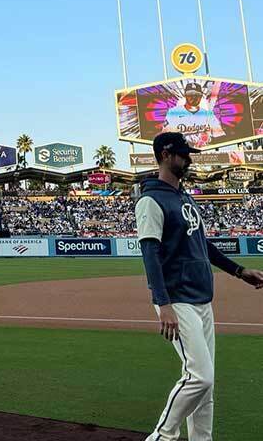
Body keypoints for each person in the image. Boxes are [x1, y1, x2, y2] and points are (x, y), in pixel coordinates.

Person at [135, 132, 263, 441]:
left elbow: (202, 244)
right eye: (183, 154)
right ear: (166, 154)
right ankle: (162, 437)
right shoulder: (150, 200)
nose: (189, 158)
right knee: (200, 377)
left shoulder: (185, 197)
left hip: (202, 298)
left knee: (206, 385)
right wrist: (162, 303)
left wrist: (238, 270)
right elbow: (150, 253)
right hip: (176, 299)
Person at [163, 81, 224, 148]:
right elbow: (165, 135)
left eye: (197, 94)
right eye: (190, 94)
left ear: (201, 96)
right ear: (185, 95)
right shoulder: (173, 112)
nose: (193, 97)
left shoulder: (208, 115)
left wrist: (207, 138)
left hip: (204, 152)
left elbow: (220, 135)